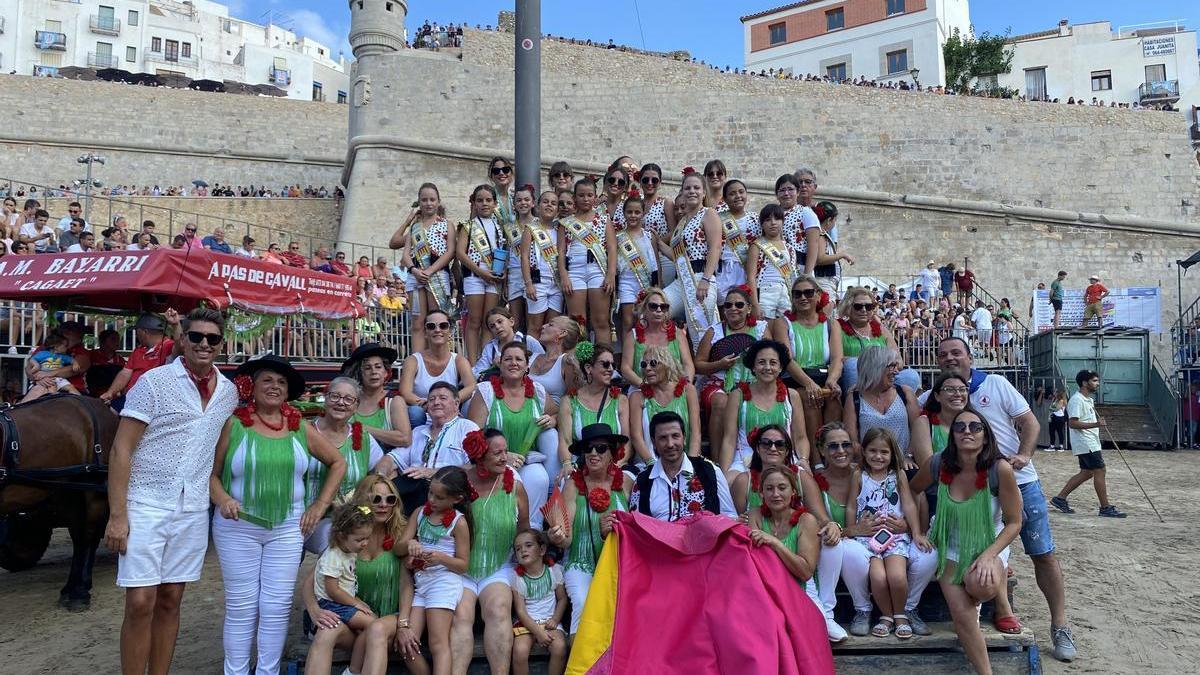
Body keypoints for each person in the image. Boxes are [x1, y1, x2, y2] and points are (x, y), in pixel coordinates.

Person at [102, 308, 239, 675]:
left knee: (170, 600)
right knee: (141, 601)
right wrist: (118, 516)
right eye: (196, 337)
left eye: (212, 339)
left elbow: (215, 456)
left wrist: (218, 494)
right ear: (182, 339)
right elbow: (121, 449)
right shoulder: (153, 382)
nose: (203, 344)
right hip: (145, 502)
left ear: (221, 344)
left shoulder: (228, 392)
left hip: (192, 508)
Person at [929, 337, 1077, 661]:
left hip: (1019, 480)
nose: (950, 358)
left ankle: (1060, 624)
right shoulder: (940, 394)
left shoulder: (994, 384)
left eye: (957, 352)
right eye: (943, 355)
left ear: (970, 356)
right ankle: (1000, 606)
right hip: (974, 483)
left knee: (1043, 553)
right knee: (984, 546)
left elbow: (1030, 422)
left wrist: (1024, 454)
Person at [209, 356, 347, 675]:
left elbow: (337, 463)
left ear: (288, 392)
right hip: (237, 527)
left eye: (281, 382)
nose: (275, 386)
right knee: (243, 607)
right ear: (251, 387)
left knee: (276, 606)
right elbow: (211, 474)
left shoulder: (300, 426)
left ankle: (268, 671)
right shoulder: (233, 424)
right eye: (267, 380)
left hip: (287, 528)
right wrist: (223, 498)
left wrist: (318, 505)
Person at [909, 410, 1023, 675]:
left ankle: (993, 583)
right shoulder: (939, 463)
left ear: (985, 436)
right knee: (962, 616)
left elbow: (1015, 522)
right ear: (953, 435)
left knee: (981, 586)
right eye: (960, 427)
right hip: (949, 546)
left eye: (975, 427)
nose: (967, 431)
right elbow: (912, 489)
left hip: (989, 544)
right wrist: (920, 528)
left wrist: (988, 556)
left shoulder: (999, 469)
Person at [303, 476, 408, 675]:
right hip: (353, 620)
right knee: (325, 632)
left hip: (388, 620)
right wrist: (315, 611)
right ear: (362, 500)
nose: (384, 505)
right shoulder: (346, 539)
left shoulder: (401, 534)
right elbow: (312, 581)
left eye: (390, 499)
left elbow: (407, 584)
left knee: (376, 628)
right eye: (376, 499)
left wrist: (404, 623)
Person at [454, 429, 530, 675]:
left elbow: (524, 530)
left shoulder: (515, 487)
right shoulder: (459, 484)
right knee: (461, 614)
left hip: (498, 567)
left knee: (498, 609)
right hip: (460, 567)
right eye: (497, 453)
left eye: (505, 451)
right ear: (479, 455)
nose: (504, 458)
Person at [547, 423, 631, 635]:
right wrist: (556, 536)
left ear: (613, 453)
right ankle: (579, 665)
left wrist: (607, 535)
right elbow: (566, 539)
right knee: (584, 603)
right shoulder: (573, 486)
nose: (593, 453)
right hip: (579, 562)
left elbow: (636, 529)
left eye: (601, 448)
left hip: (617, 561)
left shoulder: (627, 483)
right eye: (588, 449)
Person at [468, 341, 560, 527]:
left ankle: (531, 532)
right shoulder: (486, 391)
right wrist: (503, 456)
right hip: (493, 462)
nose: (513, 363)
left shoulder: (538, 391)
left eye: (519, 359)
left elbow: (556, 412)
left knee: (539, 477)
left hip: (526, 459)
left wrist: (553, 420)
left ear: (527, 366)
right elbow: (472, 435)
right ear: (500, 364)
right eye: (508, 359)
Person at [848, 428, 928, 639]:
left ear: (893, 454)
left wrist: (917, 532)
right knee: (878, 577)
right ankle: (887, 615)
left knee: (897, 576)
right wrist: (850, 531)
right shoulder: (859, 475)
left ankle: (901, 614)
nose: (878, 456)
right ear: (863, 451)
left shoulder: (897, 475)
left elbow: (909, 505)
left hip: (895, 537)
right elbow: (851, 506)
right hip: (867, 538)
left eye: (884, 452)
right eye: (872, 450)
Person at [396, 466, 472, 675]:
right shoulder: (420, 513)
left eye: (439, 497)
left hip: (444, 582)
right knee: (407, 643)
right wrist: (410, 543)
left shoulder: (459, 522)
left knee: (438, 643)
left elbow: (463, 564)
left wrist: (441, 558)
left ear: (456, 499)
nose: (432, 500)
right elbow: (398, 548)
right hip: (422, 583)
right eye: (431, 493)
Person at [302, 377, 387, 554]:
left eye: (349, 399)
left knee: (337, 540)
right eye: (335, 396)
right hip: (301, 516)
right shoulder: (304, 431)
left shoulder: (362, 437)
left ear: (356, 406)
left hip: (342, 520)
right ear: (325, 399)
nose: (341, 402)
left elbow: (381, 471)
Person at [378, 381, 480, 515]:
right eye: (431, 399)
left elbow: (475, 468)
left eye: (443, 398)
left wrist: (433, 472)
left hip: (448, 493)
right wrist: (379, 477)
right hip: (412, 490)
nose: (436, 402)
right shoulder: (418, 431)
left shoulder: (467, 428)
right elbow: (391, 458)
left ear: (456, 404)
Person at [746, 466, 824, 638]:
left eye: (782, 488)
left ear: (793, 491)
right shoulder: (755, 514)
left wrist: (775, 543)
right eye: (769, 488)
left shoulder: (806, 521)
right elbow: (755, 560)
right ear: (761, 494)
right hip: (762, 596)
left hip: (793, 597)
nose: (775, 494)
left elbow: (805, 572)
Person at [695, 285, 772, 451]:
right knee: (721, 402)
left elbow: (771, 357)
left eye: (739, 305)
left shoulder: (760, 329)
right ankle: (716, 459)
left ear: (749, 308)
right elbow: (699, 365)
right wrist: (719, 365)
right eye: (728, 305)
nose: (733, 309)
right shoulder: (714, 331)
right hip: (719, 382)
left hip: (754, 382)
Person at [777, 275, 844, 451]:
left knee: (834, 397)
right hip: (796, 378)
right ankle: (816, 458)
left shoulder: (831, 324)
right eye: (797, 294)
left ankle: (832, 451)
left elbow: (837, 358)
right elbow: (787, 360)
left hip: (823, 376)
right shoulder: (782, 324)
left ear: (818, 295)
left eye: (808, 293)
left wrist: (833, 379)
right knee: (809, 397)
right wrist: (810, 384)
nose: (803, 298)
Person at [720, 339, 806, 477]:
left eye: (773, 363)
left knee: (804, 480)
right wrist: (724, 475)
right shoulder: (737, 396)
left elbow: (801, 437)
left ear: (780, 367)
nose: (767, 367)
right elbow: (729, 440)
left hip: (782, 455)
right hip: (745, 460)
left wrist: (803, 460)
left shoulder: (792, 395)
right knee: (730, 483)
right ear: (753, 367)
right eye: (761, 362)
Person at [630, 411, 736, 520]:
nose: (670, 444)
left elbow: (729, 516)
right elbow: (635, 526)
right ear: (654, 442)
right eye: (663, 438)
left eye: (675, 436)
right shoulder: (642, 481)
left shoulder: (710, 472)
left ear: (684, 438)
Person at [1050, 370, 1127, 518]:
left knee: (1087, 472)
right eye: (1095, 381)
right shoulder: (1077, 400)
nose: (1097, 384)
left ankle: (1060, 498)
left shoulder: (1088, 400)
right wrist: (1096, 424)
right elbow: (1072, 423)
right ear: (1085, 383)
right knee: (1100, 470)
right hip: (1086, 442)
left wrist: (1096, 425)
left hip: (1090, 442)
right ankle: (1105, 507)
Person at [843, 345, 930, 470]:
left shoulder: (905, 393)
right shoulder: (854, 399)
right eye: (892, 366)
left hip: (904, 464)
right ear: (875, 368)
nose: (897, 371)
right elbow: (853, 441)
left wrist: (908, 456)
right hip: (871, 466)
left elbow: (918, 431)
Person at [662, 170, 721, 347]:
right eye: (687, 188)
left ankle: (707, 373)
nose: (692, 191)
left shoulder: (708, 214)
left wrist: (705, 279)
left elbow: (715, 248)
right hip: (682, 280)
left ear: (704, 192)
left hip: (700, 276)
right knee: (655, 310)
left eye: (696, 188)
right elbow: (678, 257)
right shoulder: (682, 222)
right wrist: (658, 243)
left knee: (700, 332)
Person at [312, 503, 379, 649]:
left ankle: (358, 663)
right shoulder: (333, 557)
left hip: (342, 600)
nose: (365, 543)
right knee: (374, 625)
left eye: (367, 538)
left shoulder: (349, 550)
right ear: (341, 536)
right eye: (359, 540)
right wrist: (355, 603)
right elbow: (333, 590)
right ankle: (354, 669)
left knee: (371, 624)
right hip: (332, 604)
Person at [558, 177, 616, 343]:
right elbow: (561, 251)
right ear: (575, 197)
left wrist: (611, 274)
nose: (585, 199)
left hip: (597, 270)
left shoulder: (604, 220)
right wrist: (564, 276)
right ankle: (579, 363)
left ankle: (604, 362)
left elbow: (612, 248)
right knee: (577, 322)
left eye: (589, 195)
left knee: (600, 321)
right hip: (574, 272)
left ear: (595, 197)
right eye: (581, 195)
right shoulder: (566, 223)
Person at [398, 309, 475, 428]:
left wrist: (448, 403)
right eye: (431, 326)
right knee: (415, 412)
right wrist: (430, 405)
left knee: (471, 404)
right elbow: (405, 392)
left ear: (449, 331)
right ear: (425, 333)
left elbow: (471, 386)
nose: (437, 330)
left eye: (443, 326)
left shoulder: (459, 360)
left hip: (450, 414)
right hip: (422, 413)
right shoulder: (413, 360)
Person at [628, 346, 701, 467]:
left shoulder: (688, 390)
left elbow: (696, 431)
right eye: (644, 365)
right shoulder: (637, 397)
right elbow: (636, 437)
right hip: (649, 464)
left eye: (653, 363)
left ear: (667, 364)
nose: (648, 368)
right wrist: (652, 465)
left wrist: (691, 464)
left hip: (685, 462)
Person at [458, 184, 507, 365]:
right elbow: (460, 253)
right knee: (474, 321)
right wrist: (481, 272)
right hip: (474, 276)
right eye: (480, 200)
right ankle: (472, 363)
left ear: (495, 203)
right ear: (474, 203)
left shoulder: (499, 227)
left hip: (493, 277)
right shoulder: (468, 225)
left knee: (489, 322)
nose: (484, 204)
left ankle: (484, 362)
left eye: (488, 200)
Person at [509, 529, 568, 675]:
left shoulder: (554, 571)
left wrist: (555, 619)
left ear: (542, 549)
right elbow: (521, 611)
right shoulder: (518, 578)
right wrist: (537, 632)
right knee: (519, 651)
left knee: (559, 647)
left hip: (550, 621)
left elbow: (562, 599)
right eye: (518, 548)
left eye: (528, 545)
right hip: (527, 623)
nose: (523, 550)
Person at [100, 312, 181, 408]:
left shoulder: (168, 346)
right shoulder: (138, 350)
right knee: (106, 411)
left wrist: (176, 325)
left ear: (143, 332)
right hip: (130, 398)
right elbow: (125, 373)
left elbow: (181, 346)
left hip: (154, 401)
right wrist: (110, 392)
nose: (136, 335)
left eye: (137, 331)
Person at [341, 343, 413, 450]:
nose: (374, 372)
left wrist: (362, 429)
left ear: (385, 372)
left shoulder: (394, 401)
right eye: (367, 368)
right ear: (359, 373)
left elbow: (405, 439)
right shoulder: (349, 400)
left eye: (378, 367)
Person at [620, 287, 695, 386]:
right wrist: (644, 386)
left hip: (674, 389)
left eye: (663, 307)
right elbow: (626, 369)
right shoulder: (633, 336)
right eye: (653, 306)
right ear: (644, 309)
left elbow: (688, 364)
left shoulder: (678, 334)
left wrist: (685, 385)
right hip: (641, 389)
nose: (659, 310)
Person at [614, 190, 660, 339]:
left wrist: (657, 286)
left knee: (644, 320)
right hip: (626, 281)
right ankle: (628, 352)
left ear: (643, 213)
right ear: (624, 213)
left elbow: (655, 261)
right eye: (629, 212)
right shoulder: (618, 237)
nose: (633, 215)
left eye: (637, 212)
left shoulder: (649, 236)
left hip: (646, 282)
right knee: (628, 321)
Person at [521, 190, 564, 337]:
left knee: (553, 327)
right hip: (537, 282)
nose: (549, 205)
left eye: (553, 203)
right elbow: (524, 257)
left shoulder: (560, 230)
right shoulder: (530, 229)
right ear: (538, 206)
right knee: (535, 326)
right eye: (545, 202)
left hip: (556, 284)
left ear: (557, 209)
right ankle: (533, 359)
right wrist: (528, 284)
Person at [745, 204, 794, 319]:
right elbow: (750, 277)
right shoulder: (756, 246)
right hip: (764, 292)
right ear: (762, 224)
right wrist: (755, 304)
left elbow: (792, 275)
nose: (773, 222)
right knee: (763, 329)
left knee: (784, 328)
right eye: (768, 220)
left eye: (777, 218)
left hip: (785, 293)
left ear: (783, 221)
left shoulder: (790, 248)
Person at [714, 179, 760, 301]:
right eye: (732, 193)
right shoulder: (718, 218)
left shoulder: (755, 218)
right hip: (725, 270)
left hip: (747, 270)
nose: (738, 196)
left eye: (741, 192)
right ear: (724, 198)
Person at [472, 306, 545, 379]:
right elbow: (477, 373)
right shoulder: (490, 348)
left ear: (511, 321)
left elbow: (544, 363)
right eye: (492, 326)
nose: (497, 327)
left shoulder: (527, 341)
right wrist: (493, 367)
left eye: (500, 322)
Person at [637, 163, 678, 287]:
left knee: (662, 294)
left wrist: (652, 242)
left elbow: (673, 231)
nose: (650, 183)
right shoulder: (635, 204)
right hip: (640, 256)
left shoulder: (666, 203)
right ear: (640, 181)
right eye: (646, 179)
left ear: (659, 182)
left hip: (662, 255)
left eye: (654, 180)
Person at [528, 315, 582, 406]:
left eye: (550, 324)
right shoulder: (531, 357)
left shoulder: (567, 362)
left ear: (562, 333)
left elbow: (574, 401)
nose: (543, 326)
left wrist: (554, 418)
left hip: (550, 417)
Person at [21, 330, 80, 402]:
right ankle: (53, 402)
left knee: (71, 387)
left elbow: (71, 360)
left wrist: (75, 363)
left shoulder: (62, 356)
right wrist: (36, 365)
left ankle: (81, 401)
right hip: (46, 377)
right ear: (56, 347)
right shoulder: (43, 353)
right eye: (65, 346)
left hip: (58, 377)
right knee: (52, 387)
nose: (67, 348)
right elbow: (32, 359)